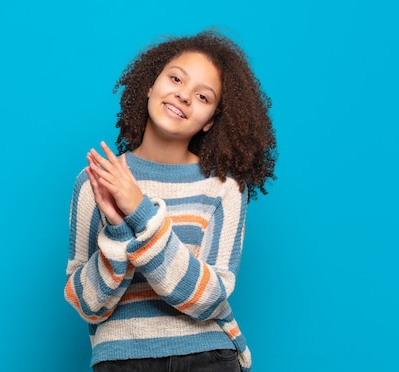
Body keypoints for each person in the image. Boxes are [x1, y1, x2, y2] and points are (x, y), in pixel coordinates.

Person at [64, 30, 277, 372]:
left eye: (203, 97)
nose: (183, 95)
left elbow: (208, 299)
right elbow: (89, 304)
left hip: (208, 356)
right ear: (151, 84)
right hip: (121, 361)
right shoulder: (97, 182)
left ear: (210, 122)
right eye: (175, 78)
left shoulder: (224, 189)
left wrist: (139, 212)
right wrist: (118, 231)